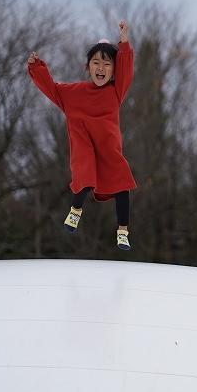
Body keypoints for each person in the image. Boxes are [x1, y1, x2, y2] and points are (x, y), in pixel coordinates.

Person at [27, 20, 136, 250]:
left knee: (122, 184)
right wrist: (37, 68)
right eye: (96, 63)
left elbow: (126, 67)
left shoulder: (116, 91)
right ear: (88, 67)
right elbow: (52, 89)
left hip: (108, 149)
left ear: (114, 70)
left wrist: (124, 42)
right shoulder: (74, 93)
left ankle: (123, 231)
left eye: (107, 64)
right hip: (84, 146)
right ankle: (75, 210)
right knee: (85, 178)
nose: (101, 68)